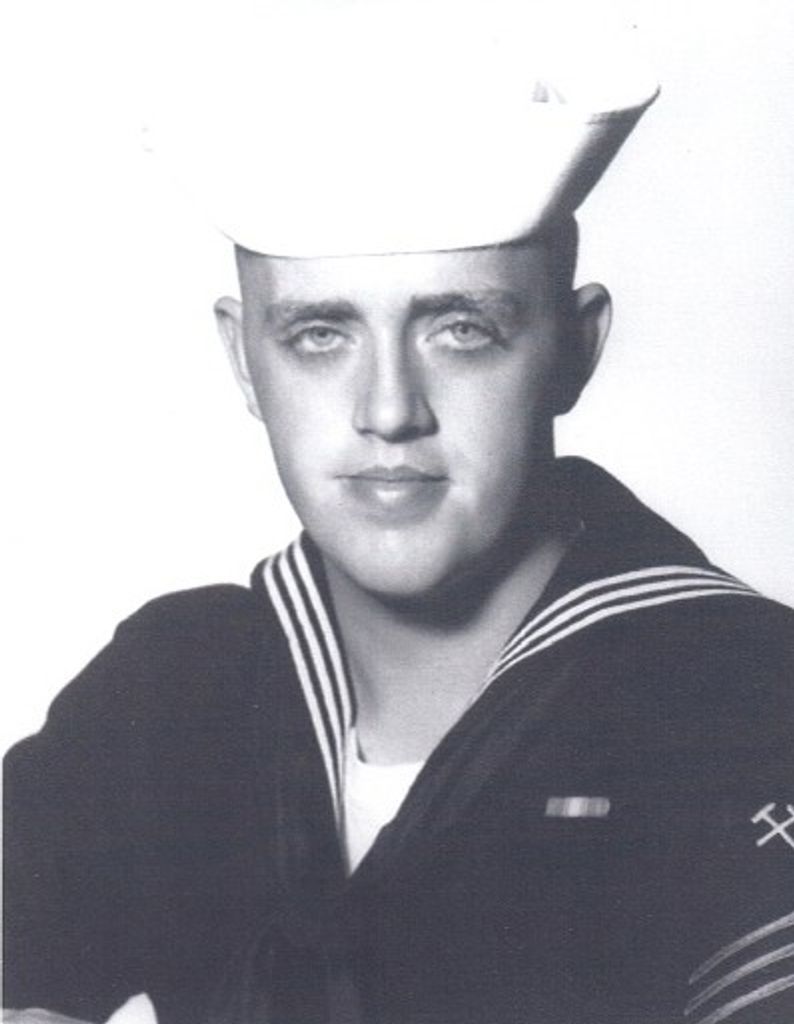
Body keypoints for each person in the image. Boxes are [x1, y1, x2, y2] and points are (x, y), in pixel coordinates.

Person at [5, 3, 794, 1023]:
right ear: (243, 360)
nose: (388, 410)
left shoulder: (745, 705)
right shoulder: (174, 690)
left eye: (460, 329)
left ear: (575, 347)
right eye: (320, 336)